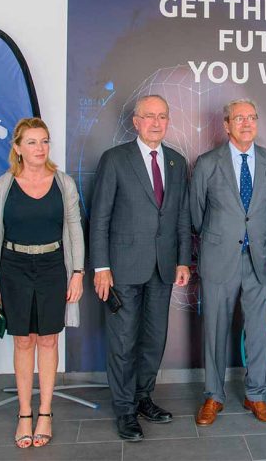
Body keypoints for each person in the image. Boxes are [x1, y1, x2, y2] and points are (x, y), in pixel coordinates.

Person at [89, 95, 191, 441]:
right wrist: (101, 267)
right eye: (149, 116)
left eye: (162, 116)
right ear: (136, 122)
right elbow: (99, 218)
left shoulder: (176, 161)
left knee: (153, 339)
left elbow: (181, 215)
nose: (156, 123)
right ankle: (124, 409)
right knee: (123, 341)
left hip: (163, 268)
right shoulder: (115, 159)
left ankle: (143, 397)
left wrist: (182, 260)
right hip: (121, 269)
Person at [0, 118, 84, 448]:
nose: (40, 148)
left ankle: (45, 413)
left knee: (48, 341)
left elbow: (75, 229)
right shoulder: (3, 186)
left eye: (45, 141)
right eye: (33, 142)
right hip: (14, 267)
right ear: (18, 147)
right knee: (23, 342)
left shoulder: (63, 183)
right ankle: (25, 413)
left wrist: (78, 273)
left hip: (53, 266)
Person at [190, 99, 266, 426]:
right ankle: (214, 396)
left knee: (258, 331)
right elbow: (196, 214)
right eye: (239, 118)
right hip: (219, 258)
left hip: (258, 257)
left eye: (251, 117)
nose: (246, 123)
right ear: (226, 125)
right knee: (215, 331)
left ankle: (256, 395)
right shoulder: (207, 163)